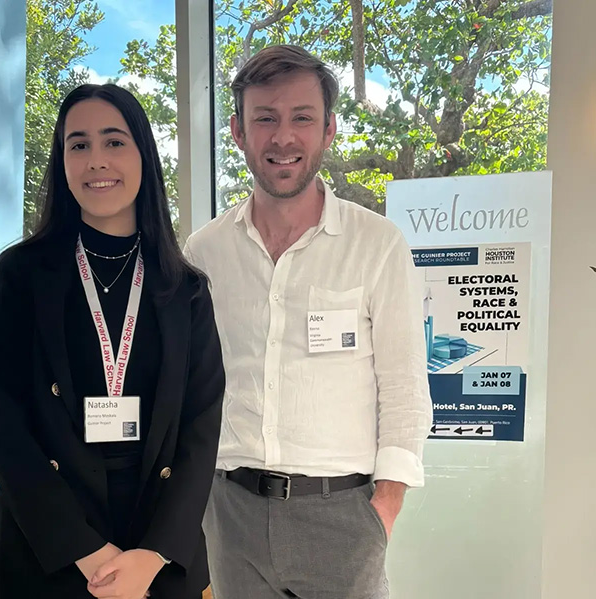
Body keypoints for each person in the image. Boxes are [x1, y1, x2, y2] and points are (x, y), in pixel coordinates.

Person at [184, 45, 433, 599]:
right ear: (238, 132)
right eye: (265, 118)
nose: (283, 137)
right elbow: (191, 387)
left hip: (343, 515)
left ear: (329, 130)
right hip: (232, 515)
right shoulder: (204, 252)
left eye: (302, 117)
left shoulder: (377, 245)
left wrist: (383, 509)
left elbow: (404, 384)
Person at [0, 83, 225, 599]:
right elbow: (3, 422)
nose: (96, 161)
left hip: (156, 548)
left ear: (143, 156)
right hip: (49, 546)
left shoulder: (186, 289)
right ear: (62, 161)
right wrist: (85, 551)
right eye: (78, 144)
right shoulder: (23, 273)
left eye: (114, 142)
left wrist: (153, 554)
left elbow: (201, 427)